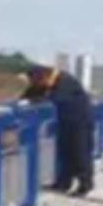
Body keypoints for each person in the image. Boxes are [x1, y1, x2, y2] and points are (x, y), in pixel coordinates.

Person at [21, 65, 95, 196]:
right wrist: (23, 101)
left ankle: (85, 185)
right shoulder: (49, 81)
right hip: (65, 121)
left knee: (80, 153)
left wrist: (34, 101)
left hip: (80, 122)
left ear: (42, 77)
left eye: (35, 80)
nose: (35, 83)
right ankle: (63, 183)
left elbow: (56, 98)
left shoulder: (65, 81)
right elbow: (34, 91)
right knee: (64, 153)